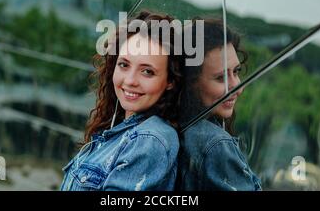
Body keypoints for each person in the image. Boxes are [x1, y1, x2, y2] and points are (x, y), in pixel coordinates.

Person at [60, 10, 183, 191]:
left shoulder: (149, 140)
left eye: (147, 71)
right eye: (124, 65)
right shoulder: (119, 130)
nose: (130, 80)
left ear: (170, 81)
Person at [176, 18, 262, 191]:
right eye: (220, 77)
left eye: (236, 71)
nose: (236, 87)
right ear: (191, 83)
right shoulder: (215, 144)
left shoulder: (175, 127)